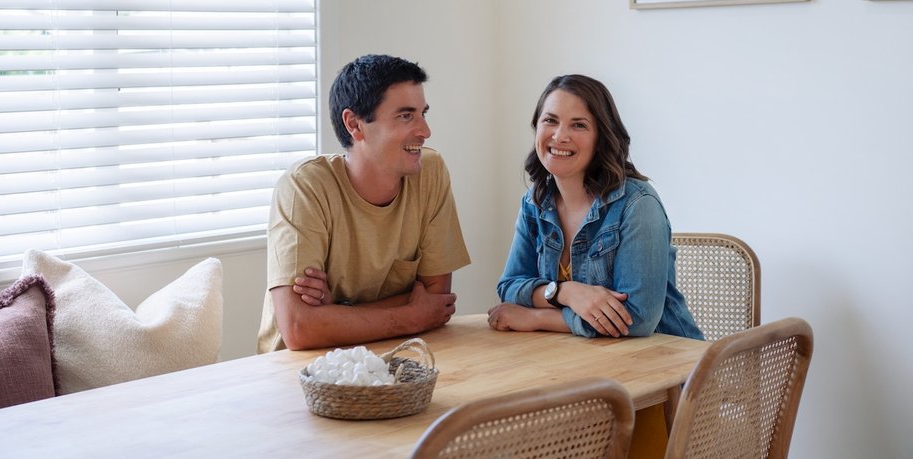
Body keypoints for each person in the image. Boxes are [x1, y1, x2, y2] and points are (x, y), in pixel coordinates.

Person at [257, 54, 471, 352]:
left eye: (423, 113)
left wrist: (337, 311)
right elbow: (298, 328)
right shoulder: (304, 187)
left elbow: (436, 303)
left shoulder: (429, 171)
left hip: (399, 358)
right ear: (355, 124)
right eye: (406, 115)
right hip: (302, 371)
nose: (425, 131)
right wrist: (409, 317)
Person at [489, 74, 702, 341]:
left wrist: (536, 317)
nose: (559, 136)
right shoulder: (535, 202)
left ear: (601, 137)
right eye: (550, 120)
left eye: (578, 125)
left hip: (671, 368)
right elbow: (510, 286)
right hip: (583, 362)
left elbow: (638, 319)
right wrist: (565, 292)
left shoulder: (638, 203)